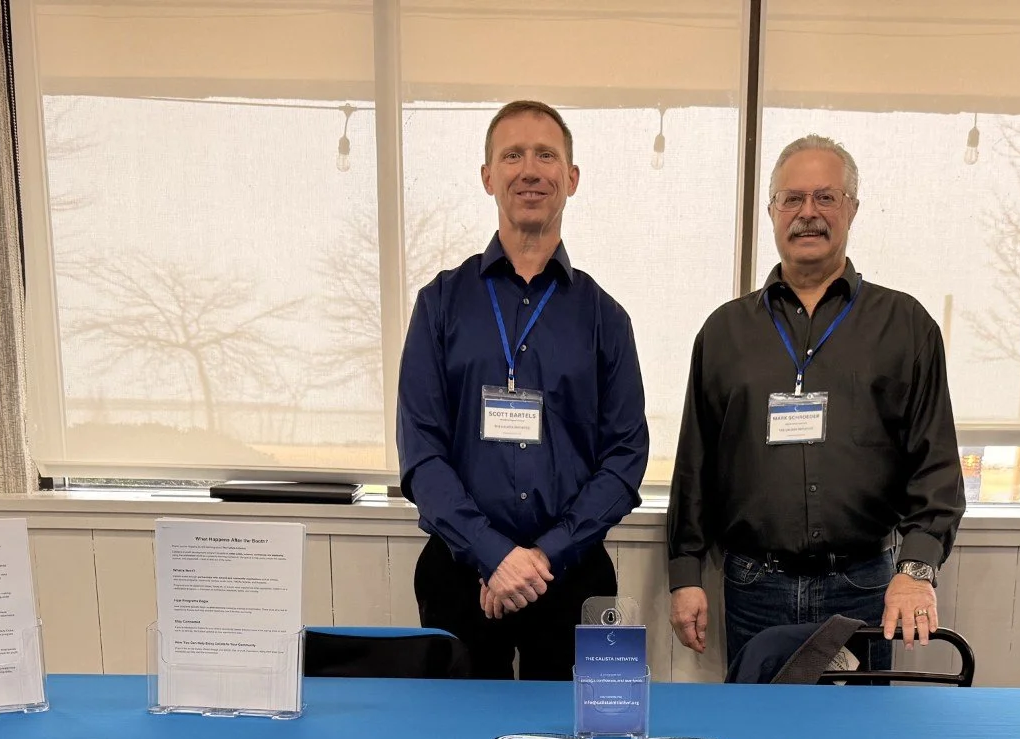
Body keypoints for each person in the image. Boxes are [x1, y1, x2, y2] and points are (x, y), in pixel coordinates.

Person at [665, 135, 965, 670]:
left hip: (865, 584)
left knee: (859, 726)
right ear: (772, 212)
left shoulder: (905, 327)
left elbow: (936, 466)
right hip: (754, 586)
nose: (808, 213)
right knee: (758, 723)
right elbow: (695, 466)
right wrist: (685, 574)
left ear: (853, 208)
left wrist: (917, 569)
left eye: (826, 197)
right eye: (792, 199)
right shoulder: (724, 332)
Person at [398, 100, 649, 680]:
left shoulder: (606, 318)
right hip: (460, 574)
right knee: (458, 735)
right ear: (488, 176)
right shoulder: (439, 304)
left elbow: (625, 458)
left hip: (572, 575)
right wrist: (492, 554)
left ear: (572, 178)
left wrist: (538, 558)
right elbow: (421, 452)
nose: (530, 170)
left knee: (575, 735)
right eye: (512, 155)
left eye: (546, 156)